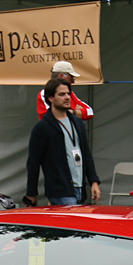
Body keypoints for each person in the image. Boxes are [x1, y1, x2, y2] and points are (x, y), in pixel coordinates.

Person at [25, 78, 101, 206]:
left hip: (80, 188)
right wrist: (31, 193)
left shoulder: (77, 123)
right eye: (61, 94)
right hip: (60, 190)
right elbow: (33, 162)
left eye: (68, 94)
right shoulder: (42, 127)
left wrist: (94, 181)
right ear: (51, 98)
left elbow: (86, 155)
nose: (67, 97)